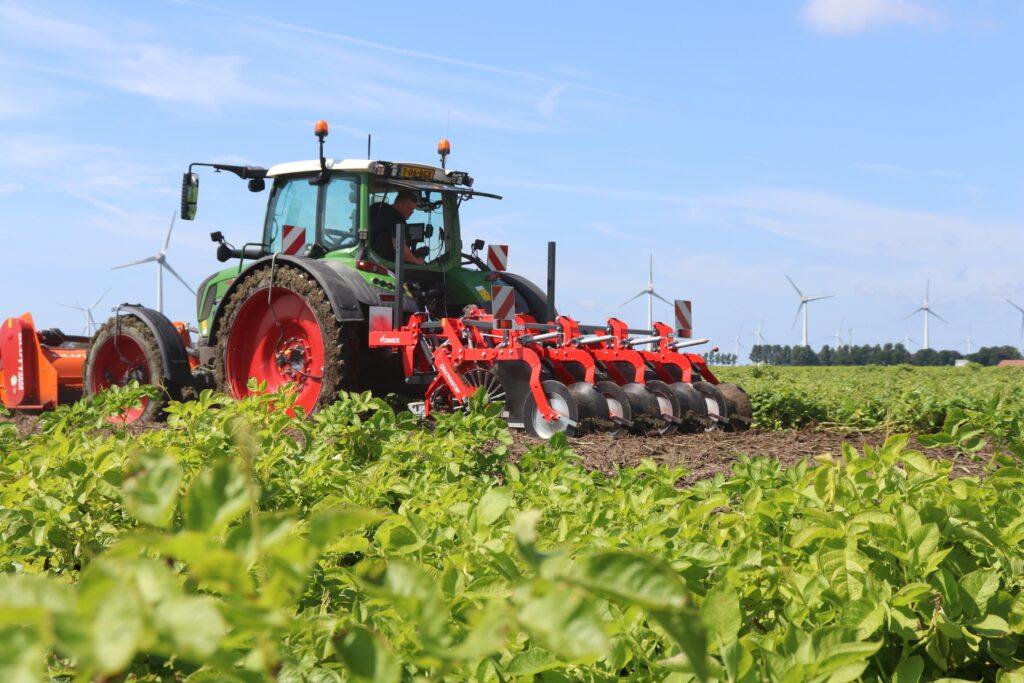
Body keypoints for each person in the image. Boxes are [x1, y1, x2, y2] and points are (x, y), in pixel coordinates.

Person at [370, 190, 424, 265]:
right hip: (387, 264)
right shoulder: (398, 219)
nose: (411, 212)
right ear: (398, 203)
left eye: (413, 209)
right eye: (409, 208)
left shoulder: (376, 207)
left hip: (369, 257)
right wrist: (416, 260)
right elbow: (400, 247)